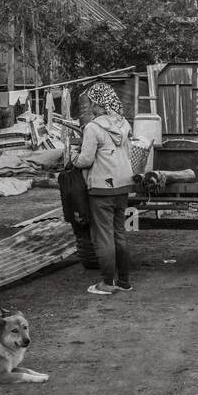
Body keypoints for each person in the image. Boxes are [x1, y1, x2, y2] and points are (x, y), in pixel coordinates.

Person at [72, 81, 135, 295]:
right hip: (123, 185)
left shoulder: (93, 127)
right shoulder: (124, 124)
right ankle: (124, 282)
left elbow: (86, 160)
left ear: (99, 103)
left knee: (103, 236)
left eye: (92, 102)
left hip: (102, 188)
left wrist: (73, 158)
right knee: (119, 233)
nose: (90, 106)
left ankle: (107, 283)